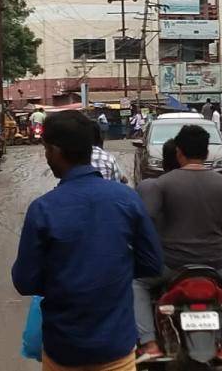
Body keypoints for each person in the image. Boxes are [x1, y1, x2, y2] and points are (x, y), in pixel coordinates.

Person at [12, 111, 163, 371]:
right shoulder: (127, 199)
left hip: (64, 349)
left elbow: (25, 282)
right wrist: (112, 272)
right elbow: (152, 264)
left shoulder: (43, 208)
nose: (46, 157)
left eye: (46, 150)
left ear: (56, 151)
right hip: (116, 347)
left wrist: (65, 278)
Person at [133, 125, 222, 366]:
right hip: (216, 262)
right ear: (206, 153)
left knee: (136, 282)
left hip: (170, 264)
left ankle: (149, 343)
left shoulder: (160, 185)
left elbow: (145, 225)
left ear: (179, 153)